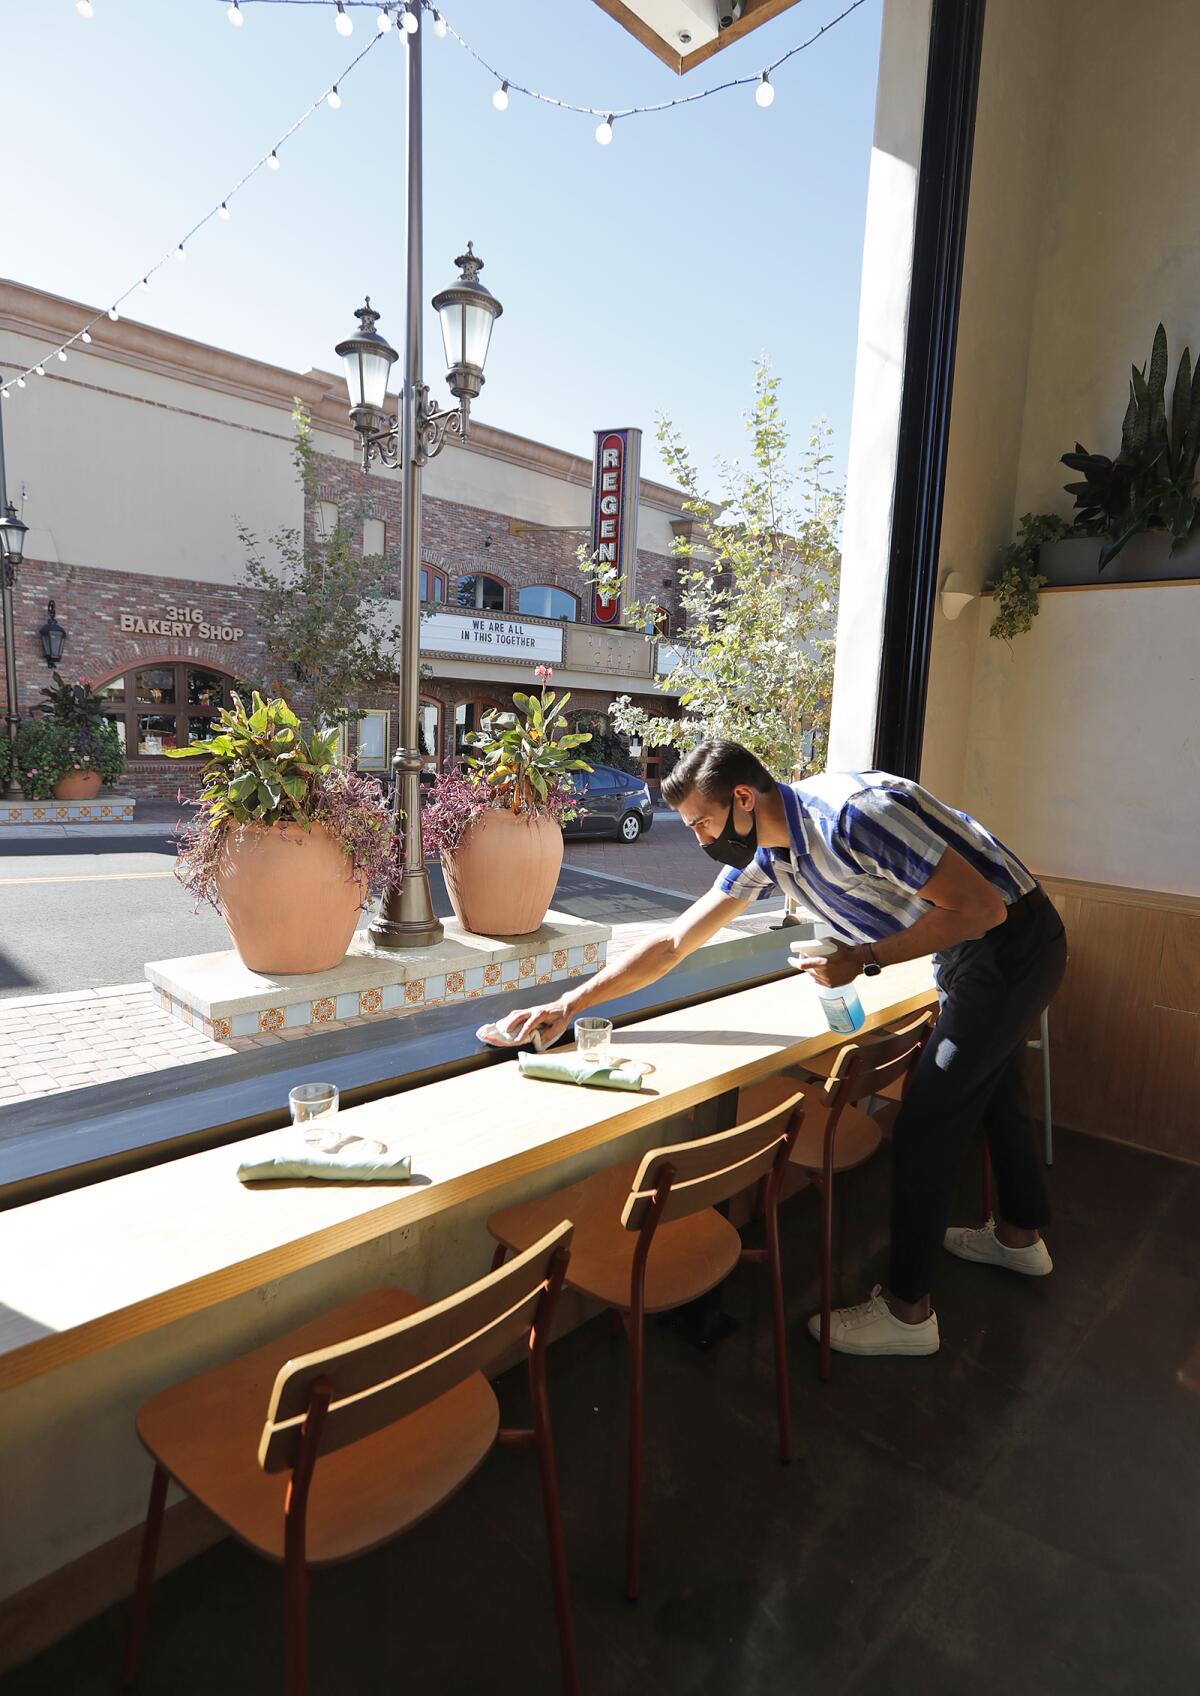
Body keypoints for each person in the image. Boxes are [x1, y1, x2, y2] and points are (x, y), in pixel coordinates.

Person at [493, 739, 1067, 1360]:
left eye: (702, 824)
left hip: (1009, 945)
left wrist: (863, 958)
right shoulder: (771, 854)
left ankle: (908, 1313)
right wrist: (570, 1005)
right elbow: (675, 942)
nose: (699, 841)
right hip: (975, 952)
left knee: (927, 1124)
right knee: (996, 1087)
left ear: (743, 798)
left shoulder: (850, 816)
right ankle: (1018, 1238)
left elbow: (982, 908)